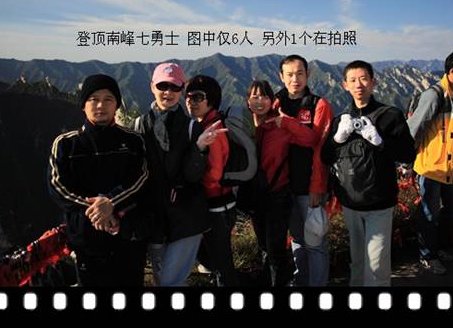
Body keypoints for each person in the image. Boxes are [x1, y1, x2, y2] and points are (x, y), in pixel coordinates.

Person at [48, 74, 149, 286]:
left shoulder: (133, 141)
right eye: (93, 99)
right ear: (83, 105)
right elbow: (58, 187)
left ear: (116, 105)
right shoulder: (66, 144)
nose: (101, 105)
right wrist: (98, 211)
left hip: (127, 236)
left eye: (108, 99)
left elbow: (140, 179)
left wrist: (110, 203)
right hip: (86, 239)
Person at [321, 60, 415, 286]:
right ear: (344, 85)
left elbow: (408, 154)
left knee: (376, 265)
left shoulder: (390, 116)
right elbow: (325, 157)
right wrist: (337, 139)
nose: (358, 85)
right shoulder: (341, 121)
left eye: (363, 79)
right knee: (357, 261)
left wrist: (380, 141)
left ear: (374, 82)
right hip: (350, 202)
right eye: (352, 80)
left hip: (380, 203)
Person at [133, 63, 224, 286]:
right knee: (161, 279)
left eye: (174, 87)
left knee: (169, 281)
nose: (168, 92)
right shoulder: (139, 125)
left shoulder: (192, 127)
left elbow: (192, 176)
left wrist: (200, 148)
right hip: (154, 216)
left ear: (182, 90)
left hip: (186, 216)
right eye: (162, 86)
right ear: (152, 86)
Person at [407, 50, 453, 274]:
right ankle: (427, 255)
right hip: (431, 167)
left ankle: (440, 247)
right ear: (452, 71)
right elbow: (413, 129)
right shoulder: (434, 95)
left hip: (452, 166)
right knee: (429, 213)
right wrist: (406, 161)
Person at [246, 80, 319, 286]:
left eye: (264, 97)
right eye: (254, 97)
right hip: (254, 196)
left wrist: (287, 122)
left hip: (277, 194)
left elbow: (310, 139)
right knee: (263, 246)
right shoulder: (244, 125)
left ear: (272, 101)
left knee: (275, 248)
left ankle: (280, 282)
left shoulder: (280, 126)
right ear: (247, 101)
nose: (259, 101)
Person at [273, 54, 334, 286]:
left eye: (300, 73)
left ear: (308, 74)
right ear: (281, 76)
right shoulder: (276, 103)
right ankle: (302, 282)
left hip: (309, 186)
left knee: (315, 242)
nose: (295, 79)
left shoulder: (319, 105)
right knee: (297, 239)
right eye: (289, 74)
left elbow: (318, 144)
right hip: (283, 186)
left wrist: (318, 186)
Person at [185, 75, 239, 286]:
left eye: (198, 97)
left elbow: (214, 174)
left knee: (222, 264)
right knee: (218, 260)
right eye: (188, 97)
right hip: (220, 205)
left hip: (218, 207)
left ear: (212, 100)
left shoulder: (214, 130)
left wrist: (192, 183)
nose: (191, 101)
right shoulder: (205, 124)